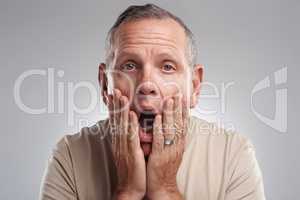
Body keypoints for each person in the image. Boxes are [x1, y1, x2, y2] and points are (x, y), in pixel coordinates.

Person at [40, 4, 265, 200]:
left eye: (167, 67)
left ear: (194, 86)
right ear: (105, 85)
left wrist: (165, 190)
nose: (146, 84)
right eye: (129, 65)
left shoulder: (233, 154)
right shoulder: (69, 155)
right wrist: (127, 191)